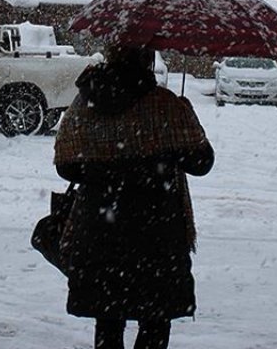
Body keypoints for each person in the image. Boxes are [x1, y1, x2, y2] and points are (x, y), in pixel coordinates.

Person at [53, 45, 215, 349]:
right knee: (155, 321)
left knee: (108, 319)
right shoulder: (165, 106)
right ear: (148, 60)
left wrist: (106, 166)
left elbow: (65, 165)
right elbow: (202, 163)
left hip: (99, 230)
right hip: (157, 236)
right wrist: (178, 128)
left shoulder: (85, 103)